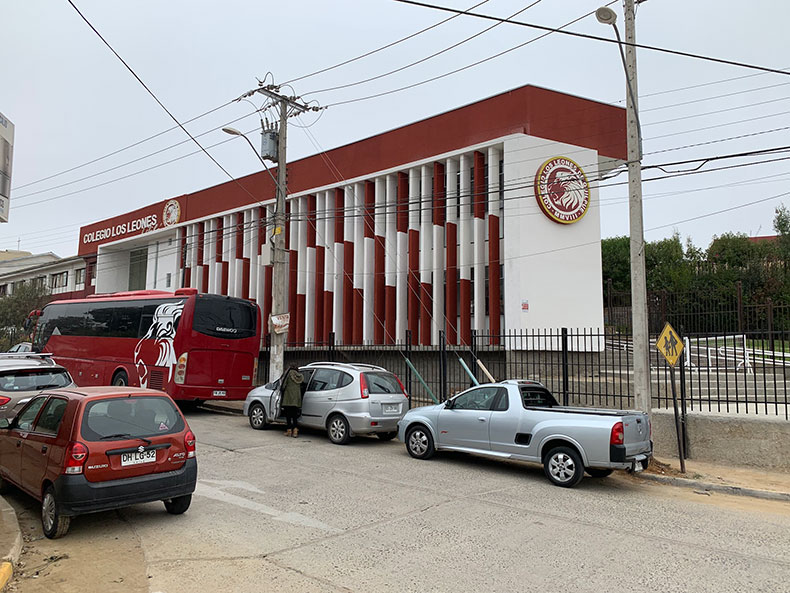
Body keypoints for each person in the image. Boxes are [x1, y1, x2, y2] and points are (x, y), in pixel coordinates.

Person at [281, 366, 304, 437]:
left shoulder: (288, 374)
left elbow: (283, 385)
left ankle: (289, 430)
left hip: (288, 398)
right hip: (296, 398)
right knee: (294, 415)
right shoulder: (301, 376)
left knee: (288, 415)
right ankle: (295, 432)